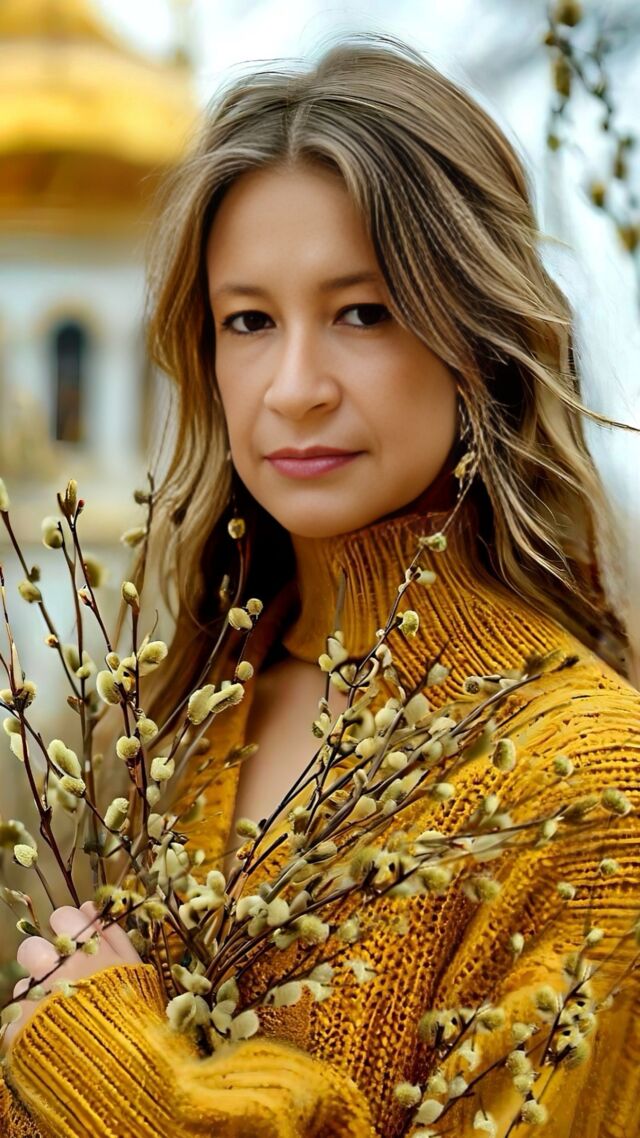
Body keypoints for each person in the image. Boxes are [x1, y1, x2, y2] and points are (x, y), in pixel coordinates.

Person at [1, 31, 639, 1138]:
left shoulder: (586, 787)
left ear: (479, 341)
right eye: (249, 321)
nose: (293, 388)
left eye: (362, 312)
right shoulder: (176, 722)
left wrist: (119, 1078)